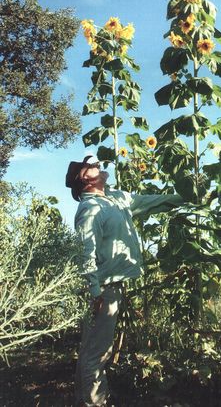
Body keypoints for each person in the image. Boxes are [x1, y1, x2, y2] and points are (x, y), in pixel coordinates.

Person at [65, 155, 183, 407]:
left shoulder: (116, 198)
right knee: (97, 353)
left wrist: (184, 198)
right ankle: (95, 403)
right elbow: (85, 254)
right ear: (85, 181)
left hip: (110, 287)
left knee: (90, 350)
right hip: (102, 290)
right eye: (90, 166)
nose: (97, 164)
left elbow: (150, 202)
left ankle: (82, 401)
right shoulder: (90, 210)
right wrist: (94, 292)